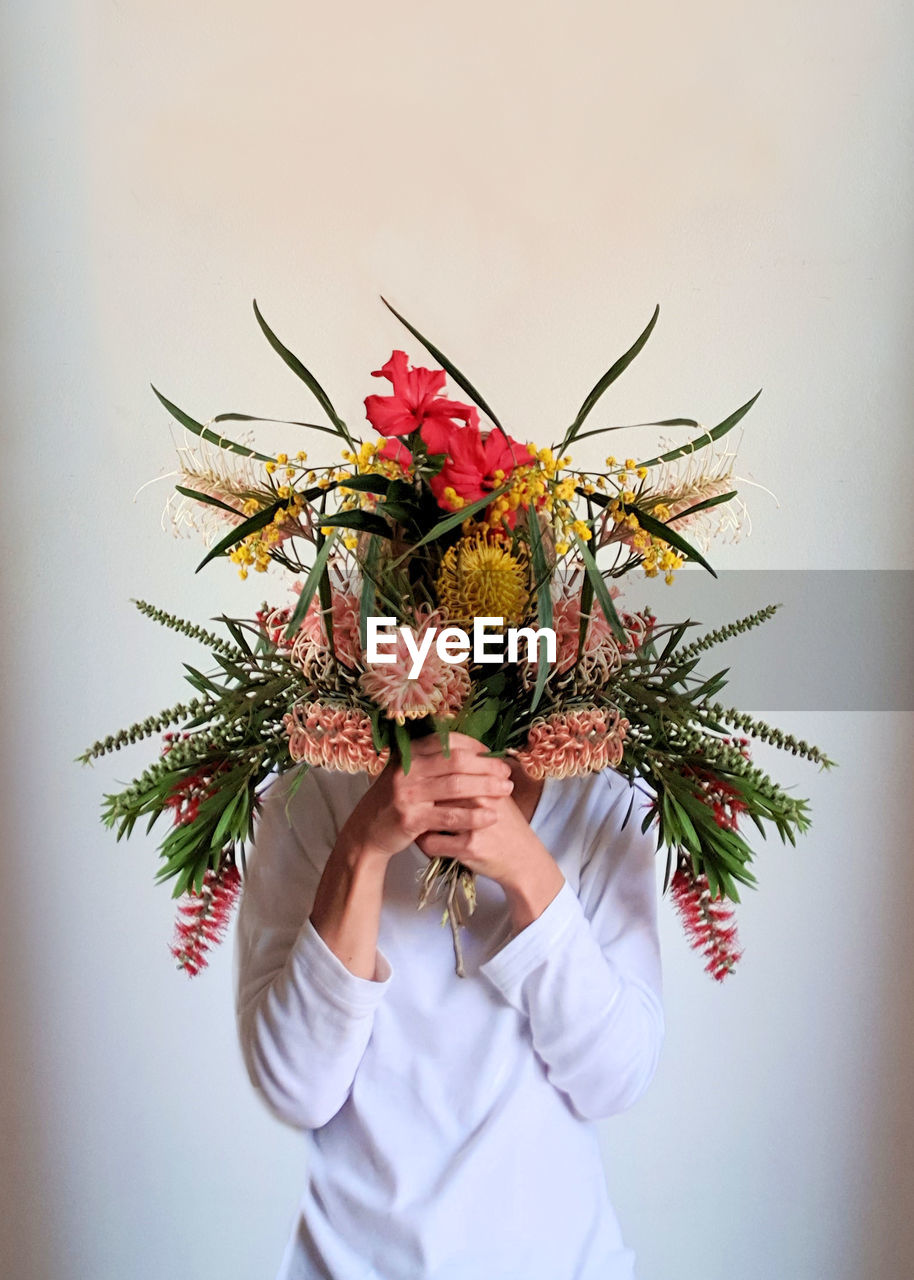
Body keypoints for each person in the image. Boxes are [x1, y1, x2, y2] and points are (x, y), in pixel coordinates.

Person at [234, 731, 664, 1280]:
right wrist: (363, 845)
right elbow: (297, 1088)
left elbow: (613, 1079)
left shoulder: (602, 798)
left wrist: (526, 868)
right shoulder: (309, 791)